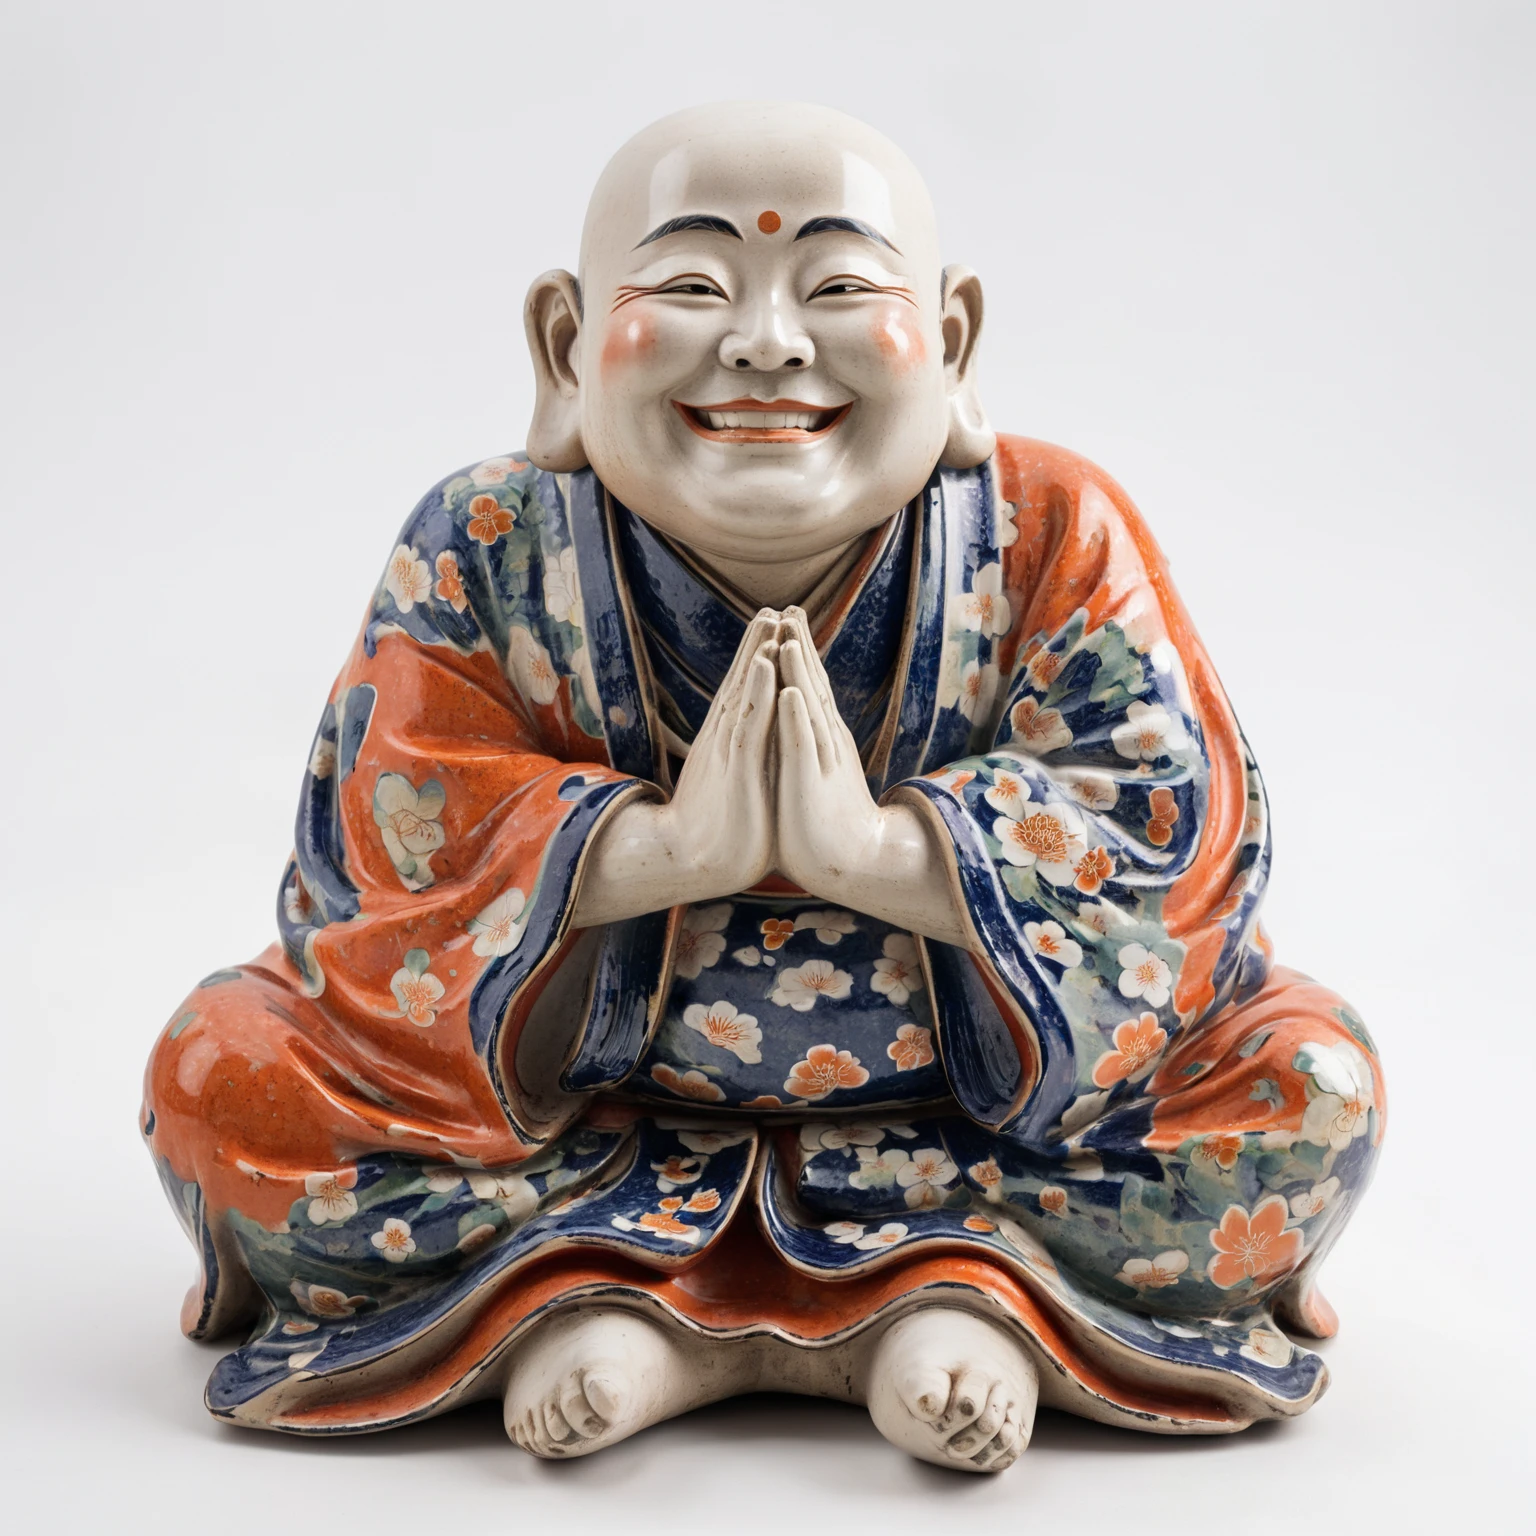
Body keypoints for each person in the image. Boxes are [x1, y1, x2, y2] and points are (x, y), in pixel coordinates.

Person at [143, 101, 1385, 1472]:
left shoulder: (1050, 532)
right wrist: (655, 851)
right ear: (564, 349)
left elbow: (1171, 838)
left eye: (842, 287)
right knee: (222, 1077)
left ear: (957, 342)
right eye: (690, 287)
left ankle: (952, 1298)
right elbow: (387, 859)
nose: (770, 344)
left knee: (1307, 1085)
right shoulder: (489, 543)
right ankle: (629, 1302)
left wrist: (884, 855)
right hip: (592, 1137)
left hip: (966, 1143)